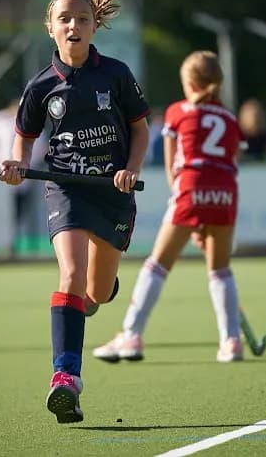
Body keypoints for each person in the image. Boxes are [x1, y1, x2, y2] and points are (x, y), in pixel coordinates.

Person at [0, 0, 149, 424]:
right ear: (51, 28)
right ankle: (65, 377)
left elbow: (140, 129)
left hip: (113, 194)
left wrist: (132, 169)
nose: (73, 26)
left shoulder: (117, 74)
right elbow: (24, 137)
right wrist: (18, 164)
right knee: (71, 273)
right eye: (64, 18)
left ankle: (99, 293)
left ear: (94, 25)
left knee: (98, 292)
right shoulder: (40, 85)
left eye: (82, 18)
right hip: (65, 190)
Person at [93, 50, 247, 365]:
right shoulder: (231, 118)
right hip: (226, 192)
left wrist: (188, 207)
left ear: (189, 82)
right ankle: (231, 341)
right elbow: (233, 162)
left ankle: (131, 334)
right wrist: (205, 221)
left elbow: (172, 167)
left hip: (191, 187)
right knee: (220, 269)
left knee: (157, 264)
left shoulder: (177, 112)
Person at [0, 100, 47, 251]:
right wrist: (6, 113)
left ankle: (14, 245)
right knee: (2, 215)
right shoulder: (5, 124)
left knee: (19, 215)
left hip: (23, 181)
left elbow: (38, 151)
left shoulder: (34, 125)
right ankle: (0, 244)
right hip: (1, 179)